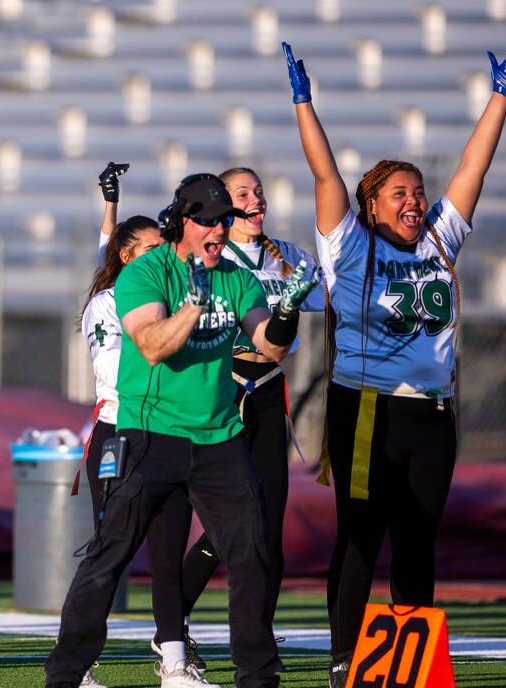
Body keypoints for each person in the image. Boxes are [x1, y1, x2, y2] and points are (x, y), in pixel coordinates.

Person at [283, 40, 506, 687]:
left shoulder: (438, 242)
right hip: (366, 407)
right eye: (400, 192)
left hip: (431, 415)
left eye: (419, 192)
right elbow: (325, 178)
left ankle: (409, 665)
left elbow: (472, 174)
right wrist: (304, 105)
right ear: (372, 203)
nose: (414, 201)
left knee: (419, 540)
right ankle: (345, 663)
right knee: (361, 534)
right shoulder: (348, 243)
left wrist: (501, 94)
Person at [44, 173, 319, 688]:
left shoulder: (236, 278)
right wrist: (192, 303)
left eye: (225, 221)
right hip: (150, 434)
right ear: (182, 223)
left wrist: (287, 309)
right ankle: (65, 674)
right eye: (209, 222)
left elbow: (272, 345)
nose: (219, 231)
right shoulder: (146, 272)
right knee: (110, 553)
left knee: (254, 551)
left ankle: (257, 677)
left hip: (217, 436)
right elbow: (151, 345)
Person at [178, 167, 325, 668]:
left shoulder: (289, 256)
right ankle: (171, 623)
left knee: (268, 522)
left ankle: (260, 635)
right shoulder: (216, 258)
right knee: (228, 524)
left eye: (259, 192)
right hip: (223, 391)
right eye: (243, 194)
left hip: (267, 392)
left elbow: (335, 298)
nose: (255, 200)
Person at [81, 163, 199, 687]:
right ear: (129, 257)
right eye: (150, 249)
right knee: (110, 557)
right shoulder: (106, 304)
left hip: (169, 436)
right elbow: (116, 370)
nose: (162, 256)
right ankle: (77, 666)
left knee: (169, 557)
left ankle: (174, 666)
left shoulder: (166, 298)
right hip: (120, 436)